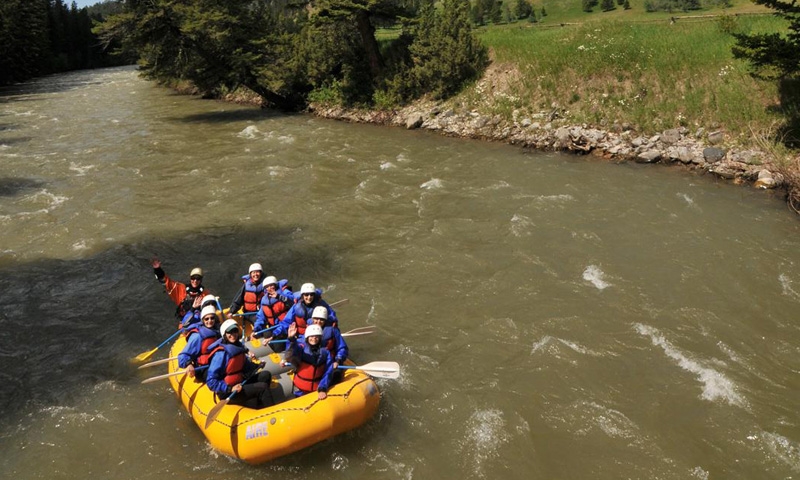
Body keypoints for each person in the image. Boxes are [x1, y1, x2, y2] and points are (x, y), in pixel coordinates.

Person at [206, 319, 274, 408]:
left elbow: (245, 366)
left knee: (266, 375)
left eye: (235, 331)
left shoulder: (238, 348)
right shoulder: (220, 354)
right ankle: (270, 412)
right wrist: (229, 388)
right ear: (224, 335)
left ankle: (259, 405)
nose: (233, 334)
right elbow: (211, 381)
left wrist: (257, 366)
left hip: (240, 383)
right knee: (263, 387)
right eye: (229, 332)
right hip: (228, 391)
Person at [267, 282, 338, 341]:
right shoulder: (296, 307)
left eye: (311, 294)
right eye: (306, 295)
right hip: (301, 336)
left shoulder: (321, 304)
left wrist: (330, 322)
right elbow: (286, 322)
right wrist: (274, 334)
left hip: (316, 336)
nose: (309, 297)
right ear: (302, 295)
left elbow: (332, 315)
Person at [283, 323, 334, 400]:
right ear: (307, 337)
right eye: (311, 336)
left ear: (320, 338)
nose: (314, 338)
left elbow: (328, 371)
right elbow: (290, 352)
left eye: (316, 336)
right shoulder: (301, 349)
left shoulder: (325, 353)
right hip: (299, 389)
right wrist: (291, 339)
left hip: (316, 389)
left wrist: (322, 388)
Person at [177, 305, 220, 381]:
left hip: (216, 363)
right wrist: (188, 364)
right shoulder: (197, 336)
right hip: (203, 368)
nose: (209, 321)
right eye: (207, 319)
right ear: (203, 320)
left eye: (212, 318)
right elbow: (183, 355)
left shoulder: (218, 331)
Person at [309, 306, 348, 384]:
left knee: (335, 375)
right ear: (312, 319)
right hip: (315, 360)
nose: (318, 321)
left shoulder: (333, 330)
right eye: (316, 319)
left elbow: (342, 348)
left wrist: (338, 360)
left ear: (325, 320)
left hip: (331, 361)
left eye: (321, 319)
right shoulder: (309, 329)